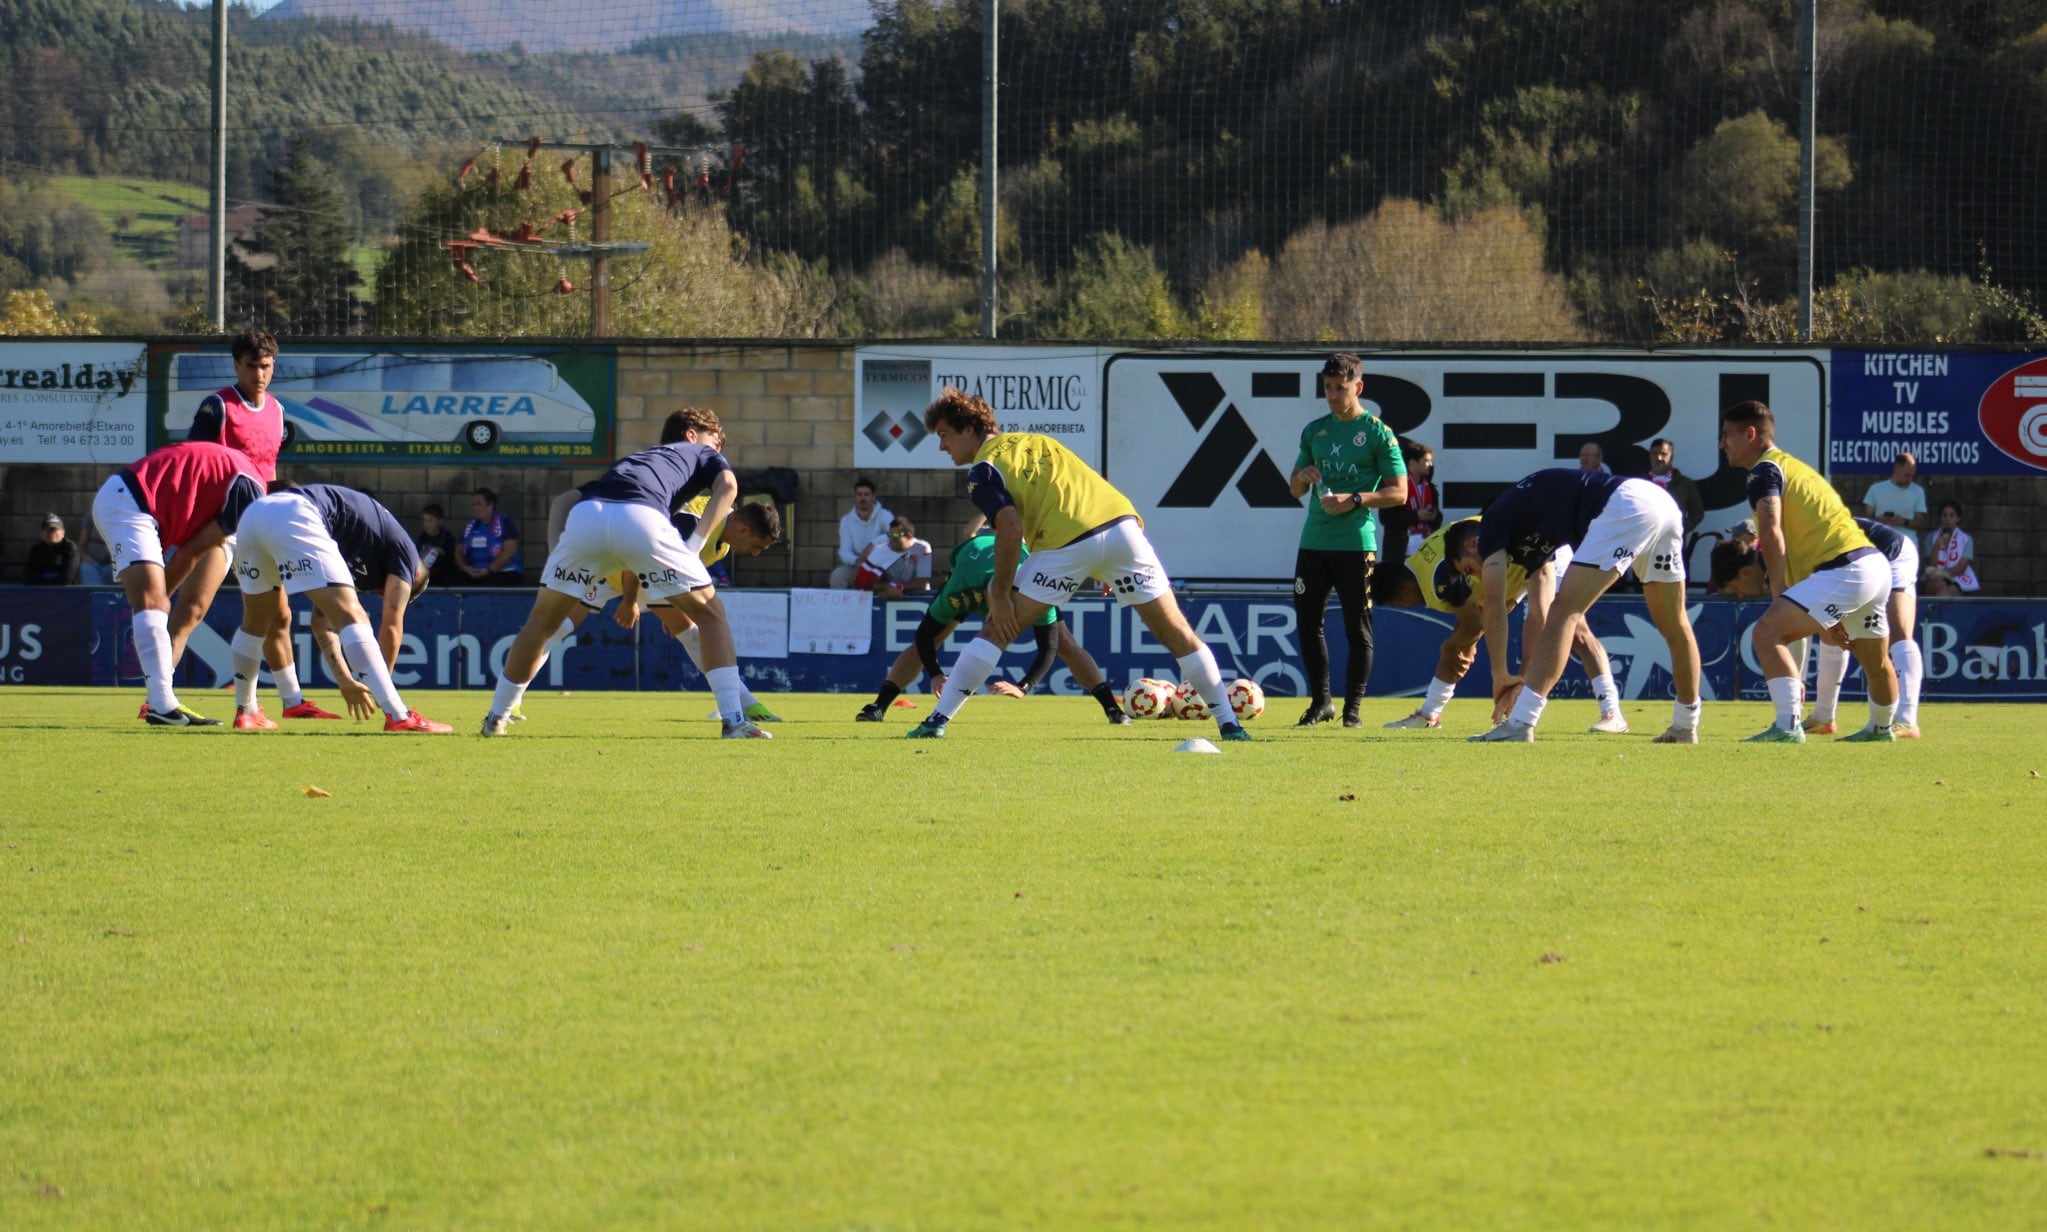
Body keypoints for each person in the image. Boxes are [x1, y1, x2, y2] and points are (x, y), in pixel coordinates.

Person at [907, 388, 1250, 741]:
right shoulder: (1041, 441)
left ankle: (936, 721)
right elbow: (1093, 486)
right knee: (1178, 634)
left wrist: (999, 591)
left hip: (1065, 546)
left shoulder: (984, 469)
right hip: (1124, 529)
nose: (941, 446)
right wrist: (1109, 563)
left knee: (997, 629)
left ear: (968, 428)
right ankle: (1230, 724)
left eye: (944, 435)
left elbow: (1009, 528)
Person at [481, 410, 766, 738]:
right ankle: (733, 720)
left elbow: (564, 500)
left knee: (542, 622)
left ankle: (496, 717)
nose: (718, 451)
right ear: (691, 435)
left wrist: (558, 554)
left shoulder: (640, 459)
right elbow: (728, 486)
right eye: (716, 442)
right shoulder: (700, 453)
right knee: (711, 615)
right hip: (641, 519)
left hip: (588, 517)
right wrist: (692, 548)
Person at [1458, 468, 1703, 744]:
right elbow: (1536, 612)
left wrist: (1500, 675)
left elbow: (1493, 603)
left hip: (1626, 504)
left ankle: (1521, 722)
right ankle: (1685, 725)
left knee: (1564, 611)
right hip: (1662, 504)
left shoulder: (1491, 525)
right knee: (1675, 624)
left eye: (1470, 569)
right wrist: (1516, 676)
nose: (1477, 577)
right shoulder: (1532, 524)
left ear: (1473, 544)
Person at [1719, 400, 1898, 743]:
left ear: (1750, 434)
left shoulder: (1764, 470)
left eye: (1727, 435)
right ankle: (1880, 728)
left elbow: (1770, 530)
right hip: (1873, 567)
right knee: (1875, 660)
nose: (1722, 443)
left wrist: (1778, 592)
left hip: (1844, 569)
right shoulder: (1795, 468)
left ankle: (1787, 726)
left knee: (1766, 632)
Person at [225, 484, 451, 733]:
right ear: (413, 575)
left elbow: (322, 624)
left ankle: (246, 711)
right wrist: (379, 686)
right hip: (296, 511)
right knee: (353, 615)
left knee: (256, 623)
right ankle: (399, 716)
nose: (378, 594)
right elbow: (391, 627)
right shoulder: (407, 557)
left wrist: (345, 680)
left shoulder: (355, 545)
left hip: (254, 516)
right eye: (384, 591)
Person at [856, 525, 1131, 725]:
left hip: (1014, 558)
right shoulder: (960, 587)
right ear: (988, 599)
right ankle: (878, 706)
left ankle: (1112, 709)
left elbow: (1050, 646)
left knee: (1067, 644)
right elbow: (924, 635)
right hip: (973, 561)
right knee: (929, 643)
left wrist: (1024, 686)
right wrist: (936, 674)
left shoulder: (1032, 588)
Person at [1384, 516, 1631, 734]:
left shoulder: (1439, 578)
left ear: (1403, 592)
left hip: (1541, 550)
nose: (1404, 608)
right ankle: (1430, 714)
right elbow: (1475, 618)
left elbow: (1477, 623)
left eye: (1397, 604)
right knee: (1458, 644)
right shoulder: (1434, 563)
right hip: (1507, 562)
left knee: (1575, 629)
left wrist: (1468, 648)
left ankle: (1611, 712)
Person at [89, 439, 265, 725]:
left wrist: (155, 610)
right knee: (153, 602)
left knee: (155, 603)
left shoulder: (241, 479)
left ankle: (160, 703)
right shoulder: (251, 494)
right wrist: (156, 608)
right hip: (129, 503)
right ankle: (161, 705)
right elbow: (189, 554)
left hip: (132, 500)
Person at [1285, 351, 1407, 727]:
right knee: (1308, 624)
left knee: (1357, 626)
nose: (1333, 395)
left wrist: (1354, 499)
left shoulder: (1377, 433)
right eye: (1327, 387)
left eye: (1341, 388)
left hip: (1355, 544)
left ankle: (1352, 708)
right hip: (1314, 542)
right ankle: (1321, 701)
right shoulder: (1314, 431)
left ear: (1359, 386)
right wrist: (1302, 478)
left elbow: (1399, 493)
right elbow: (1293, 490)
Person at [1809, 516, 1924, 739]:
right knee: (1827, 629)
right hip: (1862, 563)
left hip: (1894, 554)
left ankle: (1907, 721)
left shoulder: (1807, 534)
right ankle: (1823, 717)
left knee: (1899, 632)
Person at [829, 476, 892, 589]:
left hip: (883, 566)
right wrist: (858, 561)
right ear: (855, 496)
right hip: (858, 566)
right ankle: (845, 606)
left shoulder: (885, 516)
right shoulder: (846, 521)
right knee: (837, 576)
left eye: (866, 494)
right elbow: (844, 552)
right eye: (859, 494)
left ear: (873, 496)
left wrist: (874, 543)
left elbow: (895, 536)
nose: (863, 498)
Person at [851, 515, 935, 598]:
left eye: (895, 535)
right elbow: (866, 583)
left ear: (909, 536)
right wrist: (887, 588)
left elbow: (923, 584)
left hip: (917, 596)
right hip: (886, 596)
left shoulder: (922, 548)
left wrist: (897, 588)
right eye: (890, 535)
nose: (891, 539)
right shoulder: (880, 550)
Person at [1644, 437, 1705, 542]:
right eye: (1655, 453)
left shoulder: (1685, 484)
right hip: (1643, 542)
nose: (1659, 458)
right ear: (1650, 456)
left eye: (1664, 454)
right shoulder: (1639, 483)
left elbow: (1697, 512)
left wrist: (1680, 528)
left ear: (1671, 457)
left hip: (1673, 543)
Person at [459, 487, 524, 585]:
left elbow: (509, 551)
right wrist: (464, 567)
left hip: (502, 572)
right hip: (474, 572)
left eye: (479, 504)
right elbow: (458, 550)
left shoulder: (505, 523)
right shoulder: (470, 527)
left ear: (490, 505)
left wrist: (490, 570)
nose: (476, 508)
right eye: (474, 505)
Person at [1861, 451, 1929, 537]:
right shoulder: (1875, 489)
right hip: (1881, 541)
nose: (1910, 479)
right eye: (1907, 475)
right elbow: (1866, 519)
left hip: (1907, 543)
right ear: (1896, 469)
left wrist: (1904, 521)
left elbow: (1921, 522)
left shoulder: (1918, 491)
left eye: (1912, 476)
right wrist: (1879, 520)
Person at [1921, 499, 1979, 596]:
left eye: (1952, 516)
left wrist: (1943, 575)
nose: (1947, 519)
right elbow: (1930, 565)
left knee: (1948, 590)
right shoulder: (1930, 537)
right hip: (1934, 579)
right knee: (1938, 584)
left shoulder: (1966, 540)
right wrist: (1938, 544)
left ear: (1958, 518)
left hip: (1957, 579)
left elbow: (1961, 568)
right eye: (1944, 515)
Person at [22, 513, 81, 585]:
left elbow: (66, 579)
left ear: (63, 533)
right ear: (41, 533)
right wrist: (54, 576)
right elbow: (28, 578)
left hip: (66, 593)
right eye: (48, 530)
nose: (51, 533)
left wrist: (41, 576)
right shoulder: (36, 550)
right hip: (39, 593)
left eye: (55, 530)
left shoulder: (70, 549)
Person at [413, 503, 460, 588]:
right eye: (425, 520)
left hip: (443, 578)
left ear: (440, 521)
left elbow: (451, 555)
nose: (427, 524)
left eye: (431, 520)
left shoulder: (446, 536)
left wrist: (440, 551)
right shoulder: (421, 538)